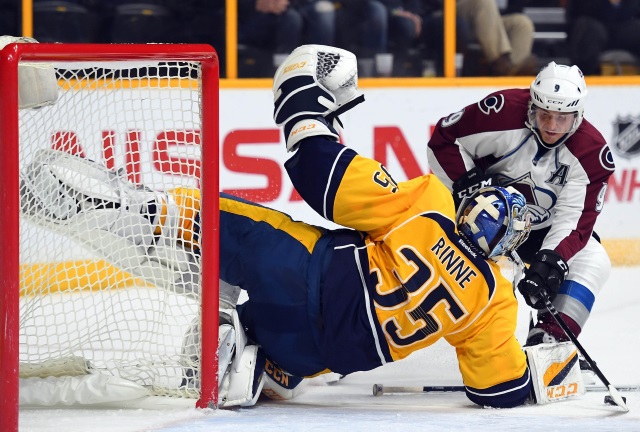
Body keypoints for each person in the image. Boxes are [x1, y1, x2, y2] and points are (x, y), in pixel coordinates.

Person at [20, 45, 586, 409]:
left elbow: (325, 177)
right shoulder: (492, 300)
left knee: (191, 221)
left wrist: (302, 101)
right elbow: (501, 391)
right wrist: (553, 367)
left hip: (296, 270)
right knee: (296, 345)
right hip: (321, 349)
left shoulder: (432, 202)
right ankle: (262, 365)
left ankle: (52, 194)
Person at [427, 62, 615, 368]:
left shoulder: (591, 155)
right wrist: (468, 184)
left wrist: (548, 262)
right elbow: (445, 140)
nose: (552, 125)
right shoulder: (500, 112)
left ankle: (549, 340)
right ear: (533, 106)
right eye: (545, 115)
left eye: (562, 118)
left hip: (538, 230)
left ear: (578, 115)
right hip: (478, 215)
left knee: (593, 258)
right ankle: (420, 331)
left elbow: (572, 219)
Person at [456, 0, 538, 76]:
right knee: (484, 1)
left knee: (521, 23)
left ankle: (513, 67)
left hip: (487, 16)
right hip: (453, 9)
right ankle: (500, 65)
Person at [566, 0, 640, 75]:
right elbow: (575, 15)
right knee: (588, 31)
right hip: (593, 27)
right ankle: (584, 79)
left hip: (626, 26)